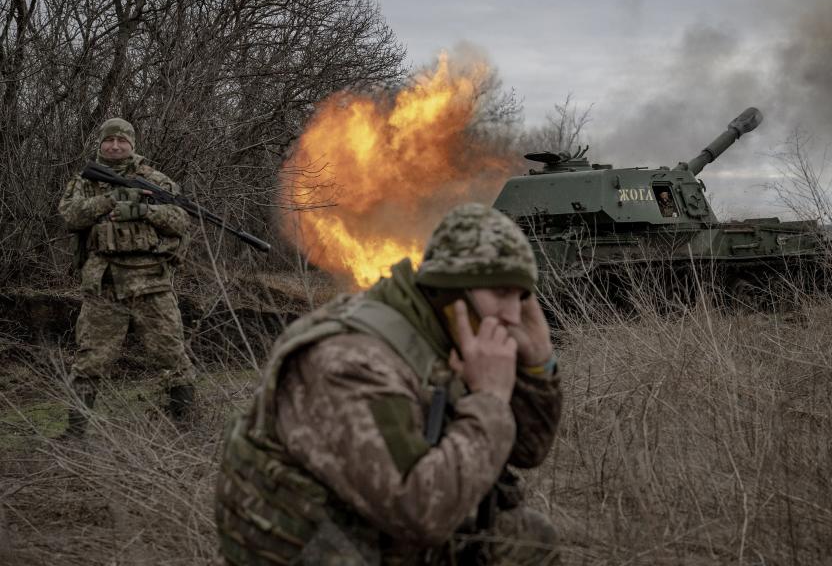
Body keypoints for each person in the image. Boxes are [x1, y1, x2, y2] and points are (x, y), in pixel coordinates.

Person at [215, 203, 563, 565]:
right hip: (323, 549)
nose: (512, 314)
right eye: (501, 293)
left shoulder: (448, 334)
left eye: (521, 296)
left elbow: (527, 450)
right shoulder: (351, 361)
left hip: (376, 531)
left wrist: (539, 363)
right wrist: (490, 400)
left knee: (528, 539)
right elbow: (418, 514)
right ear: (451, 291)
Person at [58, 117, 196, 437]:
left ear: (132, 145)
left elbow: (181, 220)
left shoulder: (154, 179)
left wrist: (144, 211)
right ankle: (74, 434)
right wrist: (110, 200)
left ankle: (186, 428)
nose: (116, 146)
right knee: (90, 360)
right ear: (101, 144)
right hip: (104, 283)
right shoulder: (85, 181)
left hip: (152, 281)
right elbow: (69, 216)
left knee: (172, 354)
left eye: (123, 141)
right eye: (110, 141)